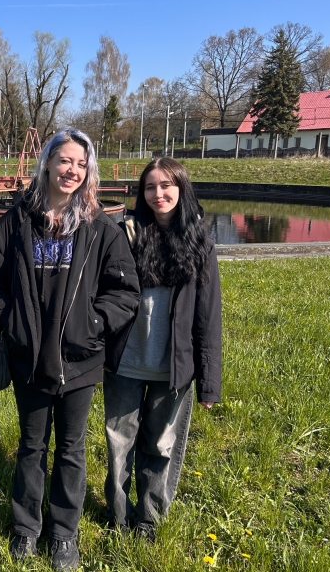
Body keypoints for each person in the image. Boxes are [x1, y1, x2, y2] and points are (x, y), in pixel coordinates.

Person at [0, 127, 140, 570]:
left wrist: (95, 323)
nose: (72, 170)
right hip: (28, 356)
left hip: (81, 360)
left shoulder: (101, 228)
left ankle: (64, 533)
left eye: (81, 164)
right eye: (65, 160)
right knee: (31, 446)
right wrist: (10, 321)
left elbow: (125, 291)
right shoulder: (15, 223)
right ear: (47, 162)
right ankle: (26, 527)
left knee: (71, 448)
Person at [103, 157, 222, 541]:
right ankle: (118, 517)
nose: (158, 194)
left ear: (182, 188)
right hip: (125, 361)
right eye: (150, 186)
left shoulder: (201, 243)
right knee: (119, 444)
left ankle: (149, 520)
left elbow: (208, 317)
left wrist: (209, 384)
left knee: (161, 446)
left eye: (166, 185)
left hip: (173, 368)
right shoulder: (125, 234)